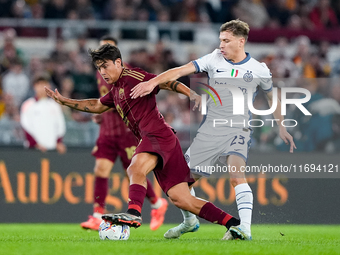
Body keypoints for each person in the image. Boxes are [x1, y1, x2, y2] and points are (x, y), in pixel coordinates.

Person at [45, 44, 242, 240]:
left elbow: (164, 82)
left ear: (118, 62)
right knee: (181, 199)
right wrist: (65, 101)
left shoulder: (132, 76)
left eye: (105, 66)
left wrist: (190, 94)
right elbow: (96, 105)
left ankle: (134, 212)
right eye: (99, 68)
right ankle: (233, 224)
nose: (102, 72)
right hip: (164, 141)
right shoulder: (115, 91)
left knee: (134, 168)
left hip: (157, 135)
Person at [130, 19, 296, 240]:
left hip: (239, 130)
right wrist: (153, 83)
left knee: (237, 176)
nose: (222, 45)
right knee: (181, 184)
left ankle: (244, 228)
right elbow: (180, 70)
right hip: (210, 131)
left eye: (226, 41)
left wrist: (282, 127)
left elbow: (272, 96)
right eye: (220, 40)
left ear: (241, 41)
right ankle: (189, 222)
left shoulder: (258, 69)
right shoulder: (213, 58)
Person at [80, 36, 168, 231]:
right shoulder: (100, 73)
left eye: (108, 49)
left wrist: (104, 109)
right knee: (100, 169)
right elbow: (105, 100)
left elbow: (126, 101)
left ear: (117, 55)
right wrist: (100, 113)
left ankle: (156, 203)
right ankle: (96, 215)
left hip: (126, 132)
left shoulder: (127, 73)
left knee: (133, 172)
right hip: (107, 132)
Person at [20, 74, 66, 154]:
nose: (42, 87)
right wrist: (35, 144)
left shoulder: (54, 105)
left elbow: (60, 126)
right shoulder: (28, 105)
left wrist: (59, 142)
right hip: (34, 149)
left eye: (45, 84)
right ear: (34, 86)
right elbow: (25, 126)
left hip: (52, 148)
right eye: (40, 84)